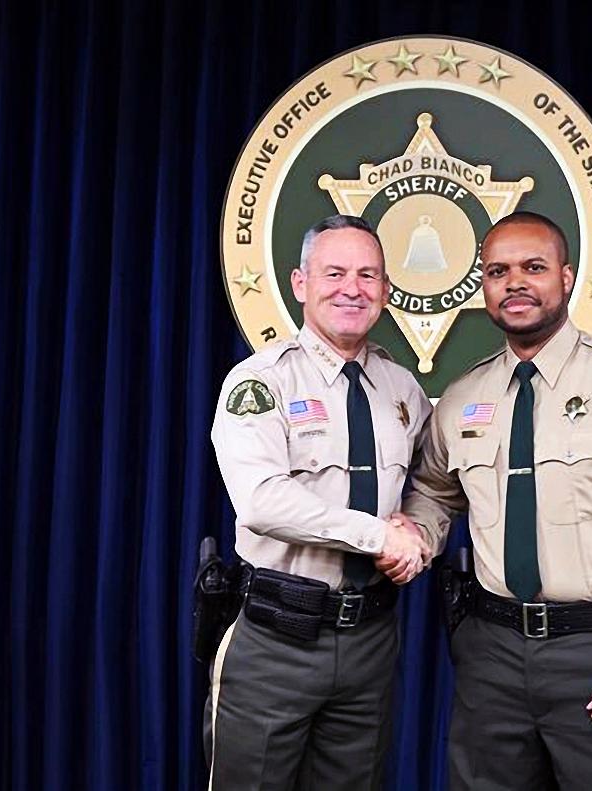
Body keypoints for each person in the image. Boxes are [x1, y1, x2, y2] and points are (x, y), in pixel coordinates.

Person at [386, 212, 592, 790]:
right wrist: (415, 533)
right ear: (483, 288)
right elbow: (435, 493)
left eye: (533, 267)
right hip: (490, 659)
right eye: (498, 271)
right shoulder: (463, 398)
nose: (515, 282)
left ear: (567, 278)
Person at [208, 215, 432, 791]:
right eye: (334, 273)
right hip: (278, 634)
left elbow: (432, 485)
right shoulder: (261, 381)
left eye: (368, 275)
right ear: (300, 283)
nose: (351, 288)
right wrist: (380, 536)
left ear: (385, 290)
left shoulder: (402, 389)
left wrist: (419, 530)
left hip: (371, 640)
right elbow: (261, 502)